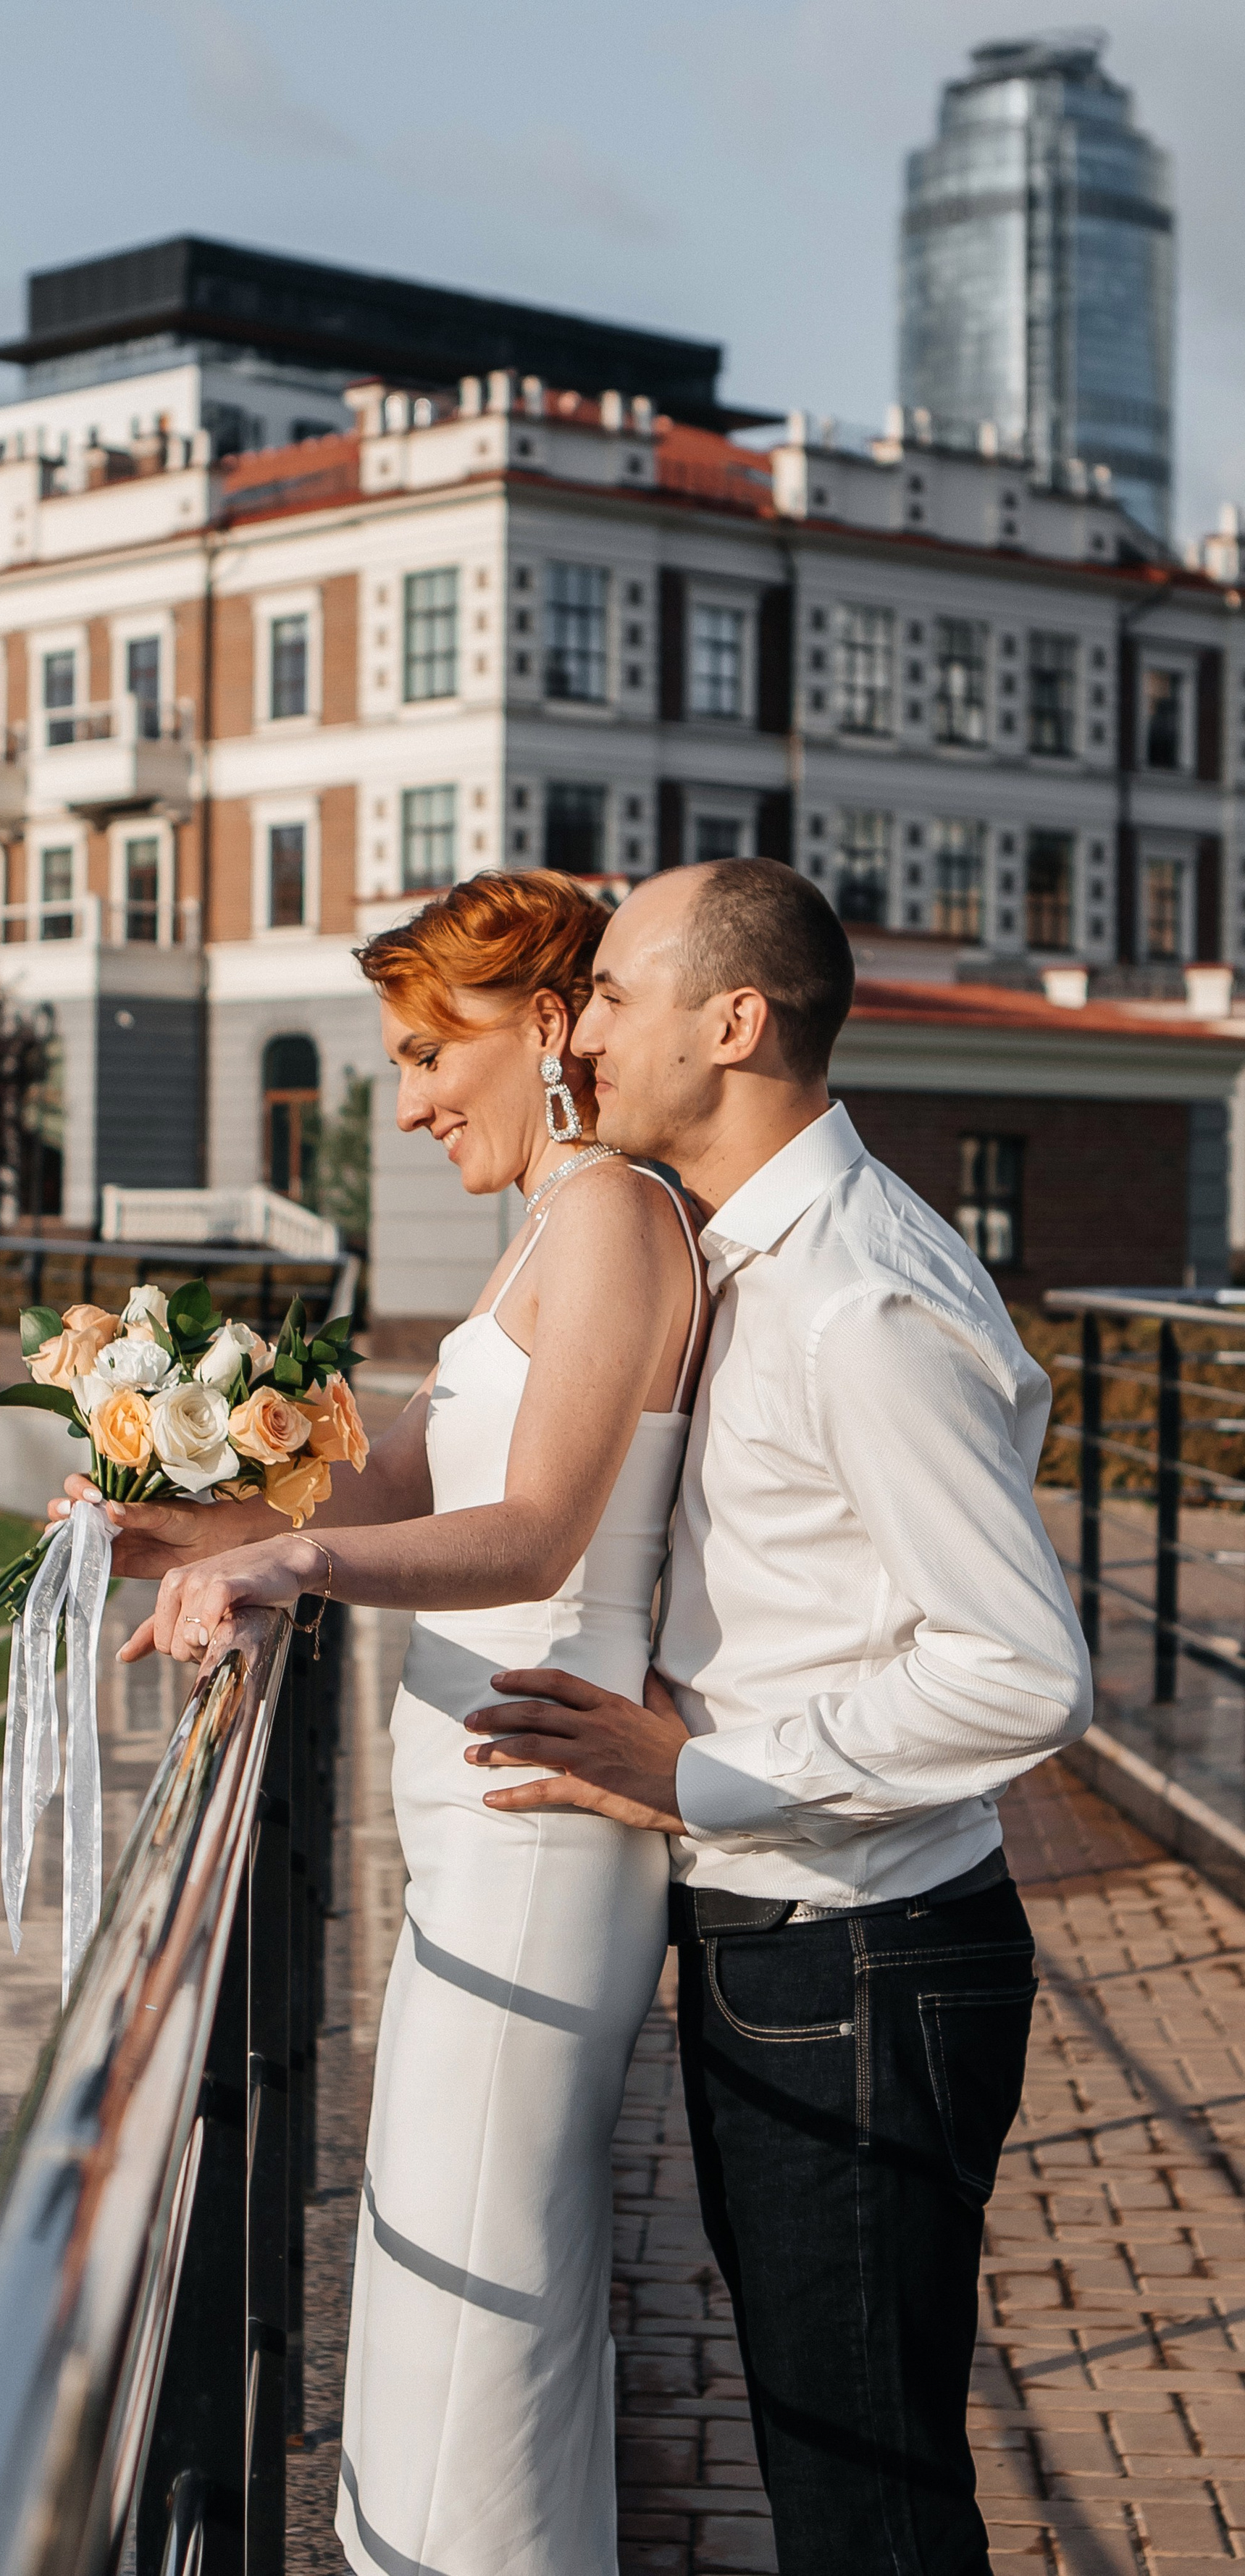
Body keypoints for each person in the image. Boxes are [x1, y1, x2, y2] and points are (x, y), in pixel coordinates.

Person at [53, 869, 707, 2576]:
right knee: (443, 2305)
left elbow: (538, 1528)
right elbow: (398, 1477)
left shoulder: (619, 1220)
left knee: (473, 2321)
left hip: (536, 1841)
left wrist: (294, 1559)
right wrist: (165, 1517)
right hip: (472, 1841)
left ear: (548, 1029)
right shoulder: (546, 1236)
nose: (406, 1098)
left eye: (430, 1050)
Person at [461, 858, 1093, 2575]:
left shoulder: (853, 1293)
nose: (574, 1028)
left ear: (730, 1022)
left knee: (861, 2499)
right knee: (833, 2468)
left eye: (608, 995)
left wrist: (703, 1768)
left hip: (861, 1957)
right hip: (796, 1946)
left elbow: (1023, 1666)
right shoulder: (741, 1249)